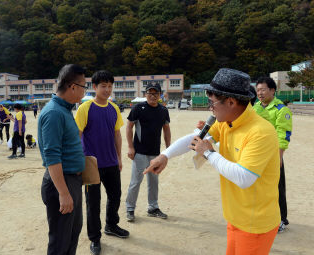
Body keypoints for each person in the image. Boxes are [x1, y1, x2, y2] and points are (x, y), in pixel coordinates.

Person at [145, 68, 281, 255]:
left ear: (231, 102)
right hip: (235, 216)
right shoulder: (227, 121)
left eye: (212, 102)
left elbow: (245, 177)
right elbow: (195, 138)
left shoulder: (260, 132)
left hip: (255, 224)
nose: (210, 107)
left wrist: (209, 154)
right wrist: (164, 155)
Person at [75, 70, 129, 255]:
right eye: (103, 86)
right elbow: (78, 134)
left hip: (111, 162)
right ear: (95, 87)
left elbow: (117, 134)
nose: (107, 90)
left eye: (109, 86)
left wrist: (119, 158)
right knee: (93, 203)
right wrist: (77, 160)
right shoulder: (85, 108)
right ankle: (95, 238)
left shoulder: (113, 108)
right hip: (91, 164)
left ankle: (111, 225)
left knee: (115, 196)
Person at [38, 64, 86, 255]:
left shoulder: (64, 110)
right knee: (60, 241)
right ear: (73, 86)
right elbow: (52, 157)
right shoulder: (54, 113)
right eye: (84, 86)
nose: (84, 91)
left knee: (72, 233)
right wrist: (64, 193)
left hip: (71, 180)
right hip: (61, 183)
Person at [125, 82, 171, 222]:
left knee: (153, 182)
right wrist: (130, 147)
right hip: (140, 152)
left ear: (159, 95)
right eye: (150, 93)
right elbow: (129, 127)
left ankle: (153, 207)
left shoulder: (163, 110)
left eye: (155, 93)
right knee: (136, 182)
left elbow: (166, 130)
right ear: (146, 94)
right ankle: (130, 208)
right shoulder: (139, 108)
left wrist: (168, 150)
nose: (153, 96)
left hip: (155, 153)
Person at [255, 77, 293, 233]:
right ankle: (264, 217)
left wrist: (279, 156)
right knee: (260, 188)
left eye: (263, 89)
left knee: (277, 188)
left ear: (272, 90)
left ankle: (282, 219)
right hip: (257, 154)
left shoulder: (281, 109)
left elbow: (283, 134)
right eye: (257, 90)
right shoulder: (255, 107)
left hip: (273, 155)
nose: (260, 93)